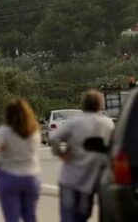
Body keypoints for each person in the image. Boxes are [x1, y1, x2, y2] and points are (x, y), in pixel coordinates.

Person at [49, 90, 115, 222]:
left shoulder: (75, 123)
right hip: (90, 181)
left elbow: (54, 138)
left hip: (69, 179)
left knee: (68, 217)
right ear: (99, 105)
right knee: (83, 215)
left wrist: (61, 154)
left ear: (84, 104)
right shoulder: (108, 124)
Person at [0, 99, 42, 222]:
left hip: (9, 176)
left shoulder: (5, 131)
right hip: (31, 177)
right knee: (30, 217)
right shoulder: (34, 130)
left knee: (11, 218)